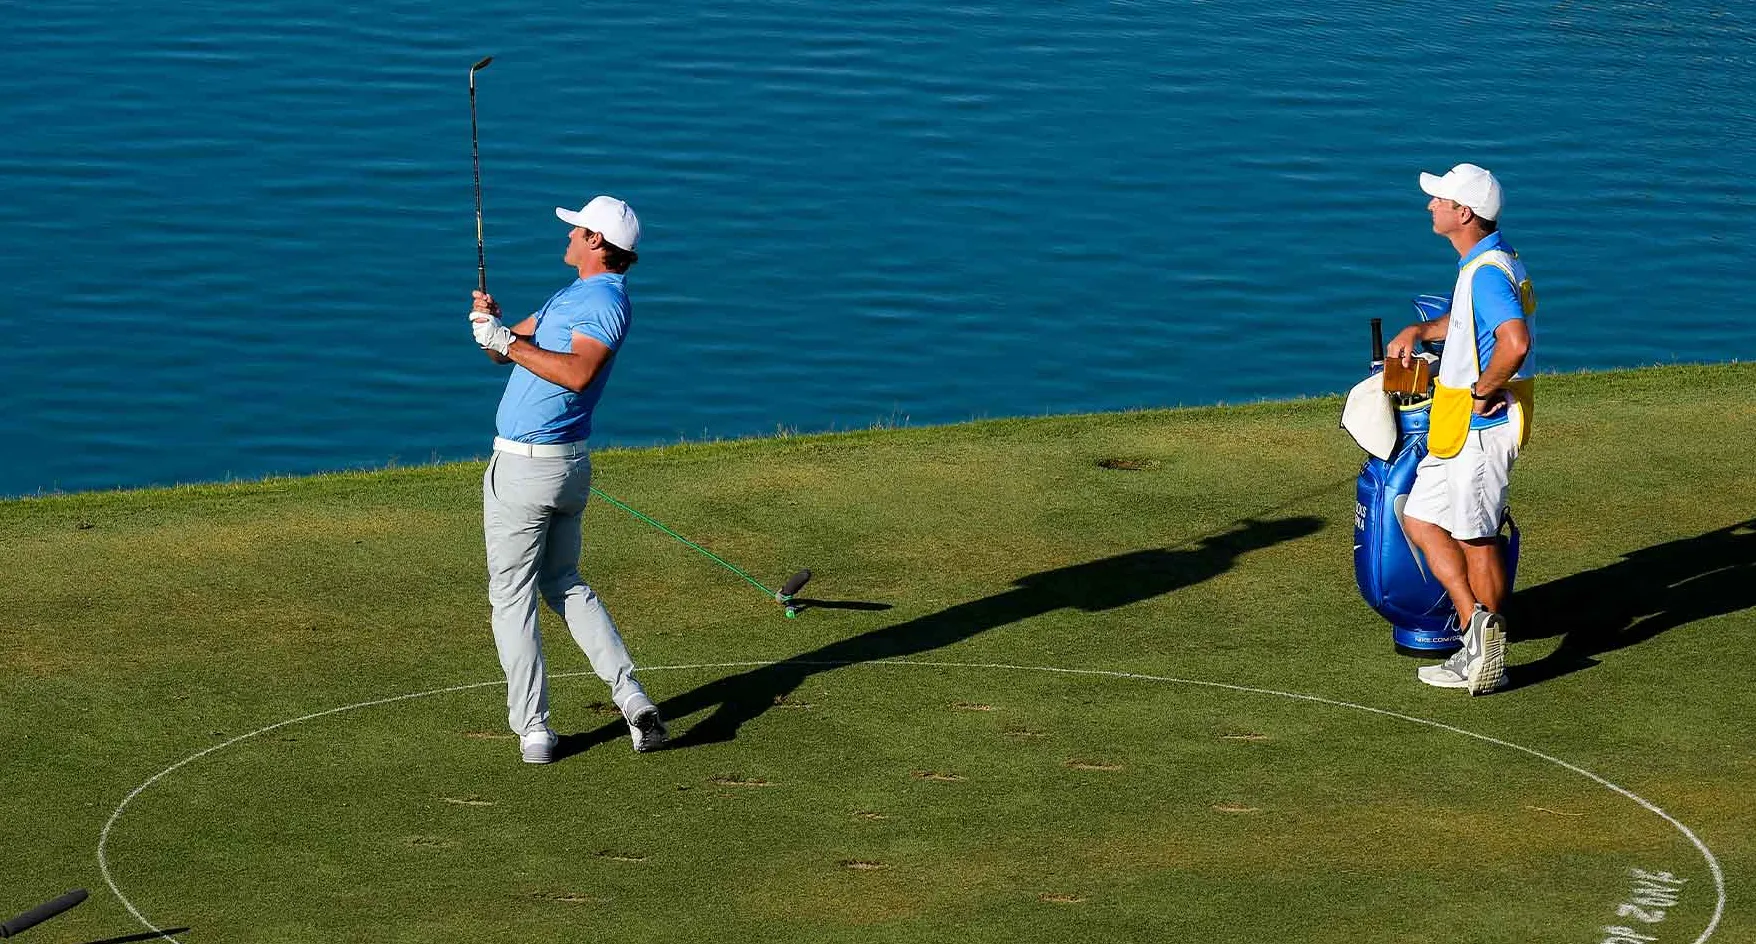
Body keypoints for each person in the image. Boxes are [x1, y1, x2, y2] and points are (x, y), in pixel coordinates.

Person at [468, 194, 667, 762]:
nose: (570, 235)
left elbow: (578, 373)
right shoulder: (575, 295)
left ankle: (533, 730)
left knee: (511, 598)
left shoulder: (603, 303)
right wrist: (493, 328)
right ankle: (633, 701)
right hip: (561, 469)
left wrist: (505, 341)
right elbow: (508, 353)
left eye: (578, 229)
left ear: (596, 243)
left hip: (531, 468)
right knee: (563, 583)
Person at [1384, 163, 1536, 696]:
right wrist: (1421, 329)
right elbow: (1470, 320)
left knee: (1476, 537)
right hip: (1457, 428)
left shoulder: (1488, 273)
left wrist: (1484, 388)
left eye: (1440, 201)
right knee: (1423, 519)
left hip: (1479, 426)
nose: (1431, 206)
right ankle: (1477, 631)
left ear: (1463, 213)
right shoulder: (1485, 264)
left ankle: (1488, 655)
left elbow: (1513, 342)